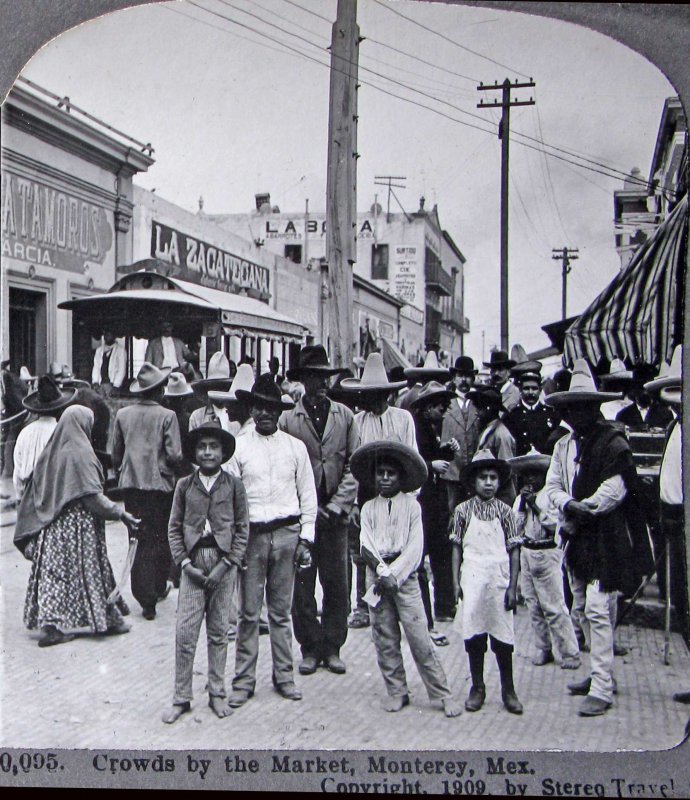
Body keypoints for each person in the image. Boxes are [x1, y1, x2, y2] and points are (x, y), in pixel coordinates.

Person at [544, 359, 652, 717]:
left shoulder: (612, 442)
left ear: (594, 407)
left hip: (605, 534)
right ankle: (597, 674)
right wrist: (569, 505)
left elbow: (615, 490)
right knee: (581, 608)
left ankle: (603, 686)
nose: (576, 415)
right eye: (570, 409)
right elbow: (552, 487)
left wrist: (582, 509)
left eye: (583, 407)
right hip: (577, 536)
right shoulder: (563, 447)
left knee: (598, 608)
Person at [350, 441, 462, 717]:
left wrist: (395, 575)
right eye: (381, 473)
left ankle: (441, 692)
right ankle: (397, 690)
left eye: (391, 473)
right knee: (384, 636)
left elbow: (415, 548)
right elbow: (366, 544)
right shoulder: (368, 509)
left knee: (419, 636)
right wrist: (382, 572)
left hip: (406, 577)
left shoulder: (412, 507)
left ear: (401, 477)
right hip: (377, 575)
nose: (385, 478)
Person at [14, 405, 140, 647]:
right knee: (92, 570)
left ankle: (52, 624)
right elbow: (91, 496)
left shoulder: (53, 450)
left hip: (52, 527)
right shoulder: (80, 453)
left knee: (54, 576)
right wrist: (120, 514)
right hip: (78, 528)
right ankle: (103, 618)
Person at [227, 374, 317, 706]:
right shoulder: (237, 447)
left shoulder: (295, 448)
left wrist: (305, 539)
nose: (264, 414)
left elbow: (308, 497)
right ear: (250, 408)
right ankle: (243, 681)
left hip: (286, 534)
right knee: (249, 612)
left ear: (279, 411)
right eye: (258, 408)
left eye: (270, 408)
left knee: (281, 612)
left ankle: (285, 677)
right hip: (252, 536)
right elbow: (232, 499)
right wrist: (236, 544)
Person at [162, 423, 249, 724]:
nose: (208, 452)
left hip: (223, 564)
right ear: (194, 453)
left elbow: (242, 529)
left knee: (219, 632)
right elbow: (174, 528)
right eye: (202, 447)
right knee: (185, 632)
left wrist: (228, 563)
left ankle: (217, 693)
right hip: (193, 563)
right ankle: (181, 697)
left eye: (214, 447)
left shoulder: (234, 485)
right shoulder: (185, 485)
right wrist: (185, 564)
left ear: (224, 452)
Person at [280, 345, 357, 676]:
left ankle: (333, 647)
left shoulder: (345, 416)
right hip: (302, 517)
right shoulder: (288, 419)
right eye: (315, 377)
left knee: (337, 582)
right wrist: (305, 510)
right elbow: (284, 468)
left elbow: (355, 464)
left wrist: (338, 504)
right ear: (304, 381)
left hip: (336, 516)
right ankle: (309, 647)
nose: (322, 383)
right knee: (302, 583)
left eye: (326, 377)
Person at [338, 352, 412, 629]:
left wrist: (409, 498)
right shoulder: (357, 422)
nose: (373, 400)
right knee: (363, 551)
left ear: (388, 394)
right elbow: (354, 463)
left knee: (397, 547)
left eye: (379, 394)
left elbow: (411, 457)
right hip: (367, 491)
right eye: (368, 394)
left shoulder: (403, 419)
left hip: (398, 490)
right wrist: (355, 503)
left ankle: (400, 602)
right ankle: (363, 606)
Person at [450, 450, 523, 715]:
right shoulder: (462, 511)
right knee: (475, 634)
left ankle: (508, 689)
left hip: (498, 579)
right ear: (473, 482)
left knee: (502, 636)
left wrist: (513, 586)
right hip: (472, 577)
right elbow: (456, 548)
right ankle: (477, 687)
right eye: (483, 477)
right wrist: (456, 581)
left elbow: (515, 550)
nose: (489, 483)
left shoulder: (506, 512)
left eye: (493, 477)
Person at [110, 362, 182, 620]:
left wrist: (122, 469)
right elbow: (175, 455)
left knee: (137, 539)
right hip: (160, 487)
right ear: (161, 389)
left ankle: (144, 598)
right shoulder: (167, 416)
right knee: (160, 538)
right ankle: (158, 586)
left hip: (131, 487)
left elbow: (115, 453)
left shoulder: (123, 415)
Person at [508, 448, 581, 669]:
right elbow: (515, 527)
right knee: (532, 604)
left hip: (548, 552)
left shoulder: (551, 496)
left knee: (554, 605)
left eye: (535, 474)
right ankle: (543, 647)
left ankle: (570, 653)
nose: (531, 479)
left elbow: (553, 526)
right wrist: (523, 503)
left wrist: (534, 506)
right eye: (527, 474)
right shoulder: (521, 498)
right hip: (527, 552)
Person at [411, 381, 460, 633]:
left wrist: (446, 452)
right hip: (423, 501)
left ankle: (444, 606)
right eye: (440, 408)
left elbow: (431, 454)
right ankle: (431, 612)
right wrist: (433, 465)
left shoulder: (431, 427)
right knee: (429, 553)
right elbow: (414, 460)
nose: (443, 413)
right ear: (428, 407)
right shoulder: (416, 428)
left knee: (440, 552)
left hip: (435, 500)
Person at [13, 375, 75, 500]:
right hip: (54, 498)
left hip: (28, 497)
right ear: (60, 408)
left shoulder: (24, 433)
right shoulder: (62, 432)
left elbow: (18, 473)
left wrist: (20, 498)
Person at [441, 355, 481, 513]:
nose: (464, 380)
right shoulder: (445, 402)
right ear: (454, 378)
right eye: (460, 376)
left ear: (473, 379)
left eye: (468, 376)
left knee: (473, 511)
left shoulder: (478, 402)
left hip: (473, 468)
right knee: (453, 510)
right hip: (452, 470)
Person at [469, 385, 517, 504]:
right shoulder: (487, 430)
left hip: (501, 498)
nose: (476, 413)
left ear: (489, 408)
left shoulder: (502, 435)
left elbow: (506, 471)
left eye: (479, 409)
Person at [504, 369, 560, 456]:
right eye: (526, 388)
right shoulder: (510, 416)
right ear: (520, 390)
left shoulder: (552, 414)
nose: (530, 392)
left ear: (540, 390)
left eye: (534, 389)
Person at [189, 352, 235, 432]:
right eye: (214, 386)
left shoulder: (234, 416)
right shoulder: (197, 416)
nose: (218, 391)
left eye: (222, 387)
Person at [483, 350, 520, 415]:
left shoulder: (517, 393)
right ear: (491, 372)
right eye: (494, 370)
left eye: (500, 369)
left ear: (508, 372)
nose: (496, 373)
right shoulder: (486, 393)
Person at [91, 331, 126, 397]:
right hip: (101, 384)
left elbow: (121, 370)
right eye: (106, 335)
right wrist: (95, 381)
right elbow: (96, 367)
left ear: (114, 337)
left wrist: (116, 385)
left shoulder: (120, 351)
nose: (107, 337)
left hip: (112, 384)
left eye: (109, 335)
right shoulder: (99, 350)